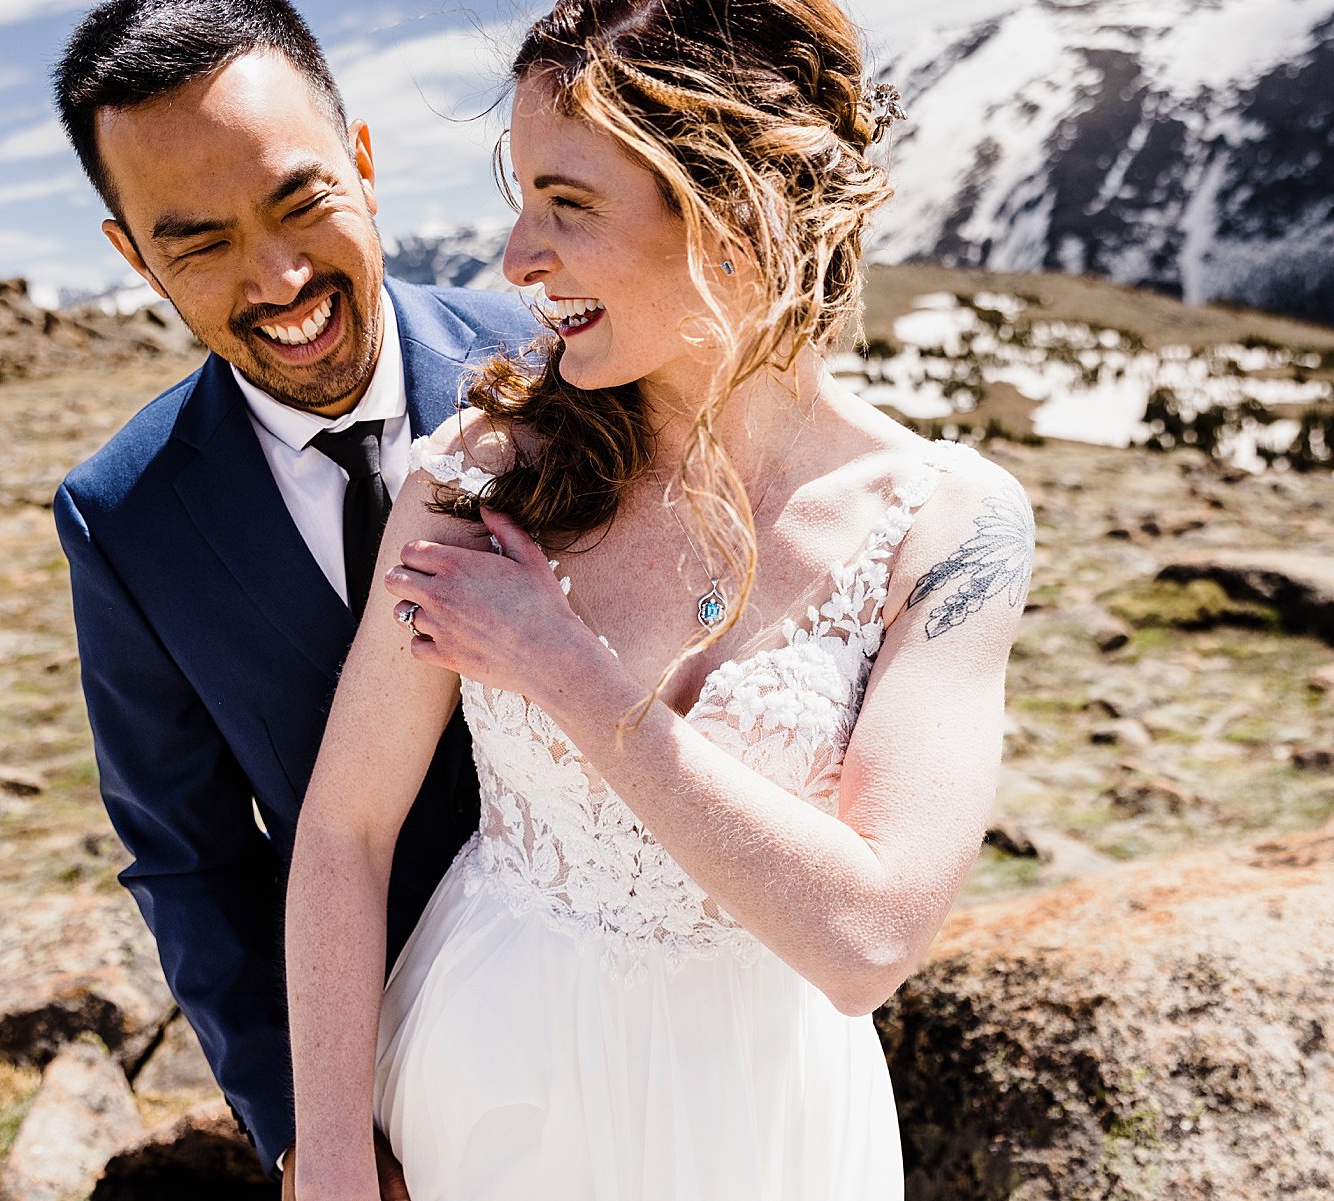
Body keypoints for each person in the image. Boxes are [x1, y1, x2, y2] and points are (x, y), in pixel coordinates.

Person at [282, 0, 1037, 1197]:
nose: (516, 259)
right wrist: (323, 1150)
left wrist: (564, 667)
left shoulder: (948, 526)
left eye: (567, 203)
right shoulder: (480, 475)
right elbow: (343, 830)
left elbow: (866, 944)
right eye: (521, 196)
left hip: (761, 1121)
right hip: (487, 1082)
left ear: (732, 208)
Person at [48, 0, 536, 1188]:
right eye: (196, 241)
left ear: (363, 164)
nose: (277, 278)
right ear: (132, 254)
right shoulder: (122, 518)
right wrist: (307, 1134)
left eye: (298, 201)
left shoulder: (559, 362)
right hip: (398, 1082)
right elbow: (189, 860)